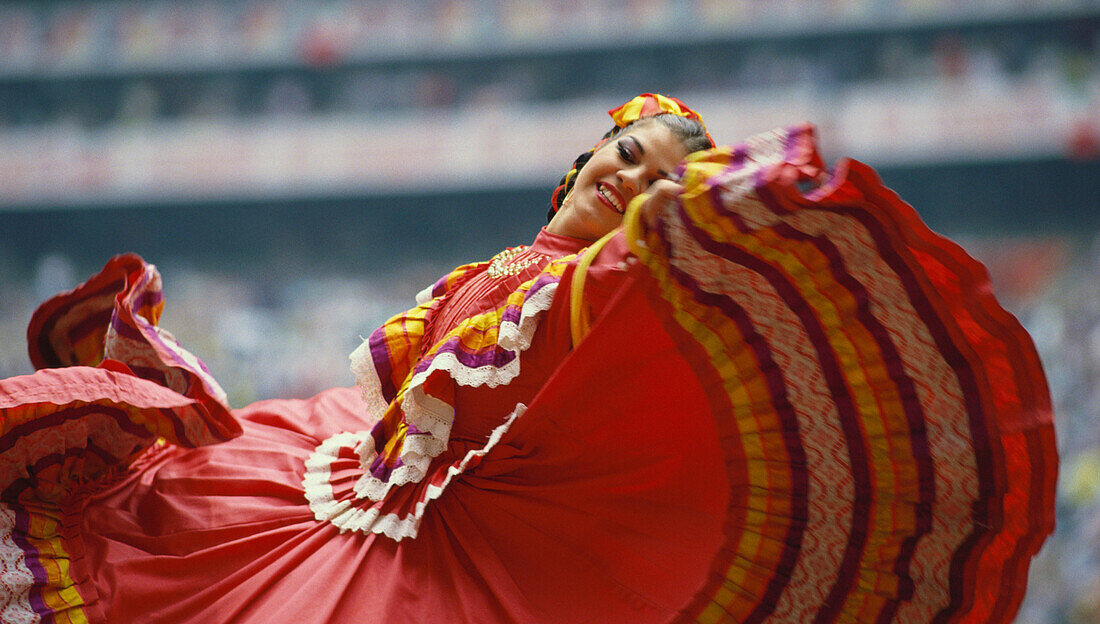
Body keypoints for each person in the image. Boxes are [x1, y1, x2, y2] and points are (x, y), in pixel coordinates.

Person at [0, 94, 1056, 624]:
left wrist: (725, 209)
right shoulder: (507, 264)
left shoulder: (606, 288)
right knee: (149, 512)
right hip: (344, 489)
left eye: (652, 180)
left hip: (461, 547)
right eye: (620, 153)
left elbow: (479, 390)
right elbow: (393, 388)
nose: (625, 175)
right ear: (582, 161)